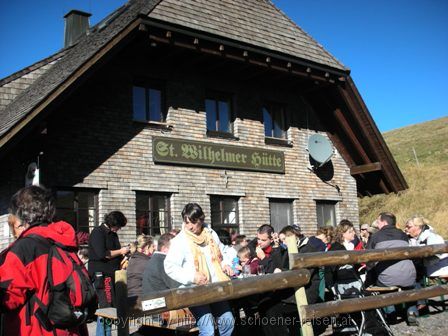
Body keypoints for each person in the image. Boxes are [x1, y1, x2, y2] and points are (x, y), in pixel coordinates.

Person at [0, 185, 88, 336]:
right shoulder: (64, 243)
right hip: (71, 328)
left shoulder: (22, 249)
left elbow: (8, 299)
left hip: (36, 330)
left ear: (21, 215)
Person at [164, 203, 234, 336]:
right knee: (208, 331)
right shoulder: (180, 241)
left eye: (193, 222)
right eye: (186, 222)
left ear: (201, 220)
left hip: (215, 287)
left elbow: (222, 252)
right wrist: (192, 276)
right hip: (194, 290)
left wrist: (225, 264)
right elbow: (170, 266)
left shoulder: (211, 233)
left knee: (228, 322)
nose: (189, 226)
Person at [366, 212, 418, 325]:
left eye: (378, 222)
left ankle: (391, 314)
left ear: (384, 222)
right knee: (410, 287)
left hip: (387, 278)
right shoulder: (403, 235)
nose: (377, 224)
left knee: (382, 284)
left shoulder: (375, 236)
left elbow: (369, 260)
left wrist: (369, 275)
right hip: (408, 275)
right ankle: (411, 312)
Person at [88, 211, 130, 336]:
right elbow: (103, 254)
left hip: (112, 274)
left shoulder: (112, 234)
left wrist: (124, 254)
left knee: (111, 306)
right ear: (113, 224)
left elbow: (114, 252)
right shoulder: (98, 232)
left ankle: (107, 333)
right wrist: (121, 250)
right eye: (118, 226)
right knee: (106, 308)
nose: (119, 229)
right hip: (102, 275)